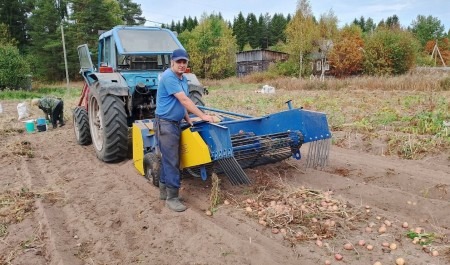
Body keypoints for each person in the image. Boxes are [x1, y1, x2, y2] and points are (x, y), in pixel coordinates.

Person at [155, 48, 215, 212]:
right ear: (172, 62)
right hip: (166, 123)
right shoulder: (169, 77)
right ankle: (172, 197)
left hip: (175, 122)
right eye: (178, 62)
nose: (181, 65)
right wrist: (203, 116)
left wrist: (188, 119)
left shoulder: (183, 78)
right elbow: (184, 99)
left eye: (184, 62)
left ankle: (163, 191)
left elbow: (182, 104)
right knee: (172, 161)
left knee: (169, 158)